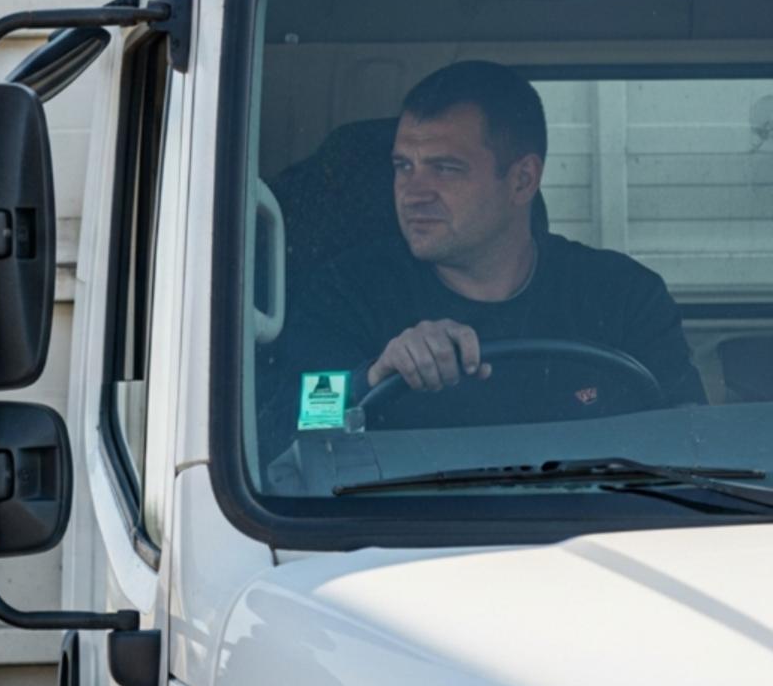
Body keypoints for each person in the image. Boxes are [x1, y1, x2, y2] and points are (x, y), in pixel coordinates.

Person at [278, 60, 705, 431]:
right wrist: (370, 377)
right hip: (405, 526)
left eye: (445, 168)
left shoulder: (623, 294)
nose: (412, 193)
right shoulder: (344, 293)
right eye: (403, 166)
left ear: (522, 181)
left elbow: (691, 439)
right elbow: (286, 427)